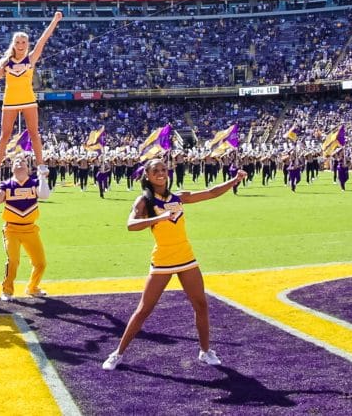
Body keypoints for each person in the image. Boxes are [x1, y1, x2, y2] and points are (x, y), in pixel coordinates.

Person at [102, 159, 247, 371]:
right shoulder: (144, 201)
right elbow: (130, 225)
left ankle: (206, 351)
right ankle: (118, 353)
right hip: (162, 260)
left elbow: (212, 192)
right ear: (148, 176)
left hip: (186, 258)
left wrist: (235, 180)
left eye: (163, 170)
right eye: (155, 171)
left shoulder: (178, 197)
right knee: (144, 309)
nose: (161, 173)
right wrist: (158, 219)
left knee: (201, 305)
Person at [0, 11, 63, 180]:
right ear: (13, 44)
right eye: (18, 41)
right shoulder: (5, 61)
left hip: (28, 100)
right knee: (4, 135)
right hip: (10, 101)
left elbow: (44, 39)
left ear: (27, 43)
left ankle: (41, 165)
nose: (21, 44)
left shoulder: (31, 58)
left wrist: (55, 20)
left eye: (24, 41)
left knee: (34, 133)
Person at [0, 155, 50, 301]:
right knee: (13, 260)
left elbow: (44, 195)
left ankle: (32, 287)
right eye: (16, 162)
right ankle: (7, 290)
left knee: (40, 263)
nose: (19, 163)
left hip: (30, 229)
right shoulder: (7, 184)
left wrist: (42, 176)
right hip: (12, 230)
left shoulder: (35, 182)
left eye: (23, 161)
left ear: (29, 168)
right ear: (11, 168)